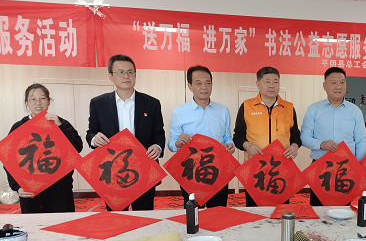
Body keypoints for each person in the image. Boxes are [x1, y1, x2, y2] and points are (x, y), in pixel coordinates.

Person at [86, 54, 165, 211]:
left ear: (135, 75)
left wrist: (158, 146)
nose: (126, 76)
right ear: (110, 76)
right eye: (120, 72)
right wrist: (95, 139)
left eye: (130, 72)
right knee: (117, 217)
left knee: (144, 215)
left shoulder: (152, 103)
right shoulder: (98, 103)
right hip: (112, 171)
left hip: (144, 168)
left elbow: (158, 133)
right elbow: (91, 132)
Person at [4, 84, 83, 213]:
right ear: (27, 103)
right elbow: (8, 159)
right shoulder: (18, 127)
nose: (38, 103)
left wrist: (60, 126)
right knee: (34, 224)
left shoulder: (60, 122)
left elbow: (77, 147)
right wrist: (17, 186)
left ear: (49, 101)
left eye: (42, 98)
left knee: (63, 223)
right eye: (33, 99)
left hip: (60, 188)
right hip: (30, 190)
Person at [233, 66, 301, 207]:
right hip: (255, 169)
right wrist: (247, 145)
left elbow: (295, 135)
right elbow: (238, 136)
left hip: (281, 169)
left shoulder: (288, 108)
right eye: (267, 81)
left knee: (281, 209)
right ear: (258, 84)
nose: (272, 85)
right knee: (255, 210)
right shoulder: (246, 106)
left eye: (275, 81)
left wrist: (295, 146)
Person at [168, 65, 235, 208]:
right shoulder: (180, 112)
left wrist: (230, 144)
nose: (204, 87)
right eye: (198, 83)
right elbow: (171, 143)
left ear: (212, 84)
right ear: (190, 86)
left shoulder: (223, 111)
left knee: (218, 212)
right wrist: (178, 143)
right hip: (191, 172)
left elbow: (227, 137)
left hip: (218, 171)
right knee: (193, 214)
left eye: (207, 82)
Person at [301, 67, 366, 206]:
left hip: (346, 168)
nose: (338, 86)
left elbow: (361, 140)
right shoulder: (314, 109)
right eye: (333, 83)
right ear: (325, 85)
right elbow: (304, 137)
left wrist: (357, 166)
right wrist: (321, 144)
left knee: (343, 210)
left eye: (342, 83)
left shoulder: (355, 111)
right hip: (320, 168)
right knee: (318, 208)